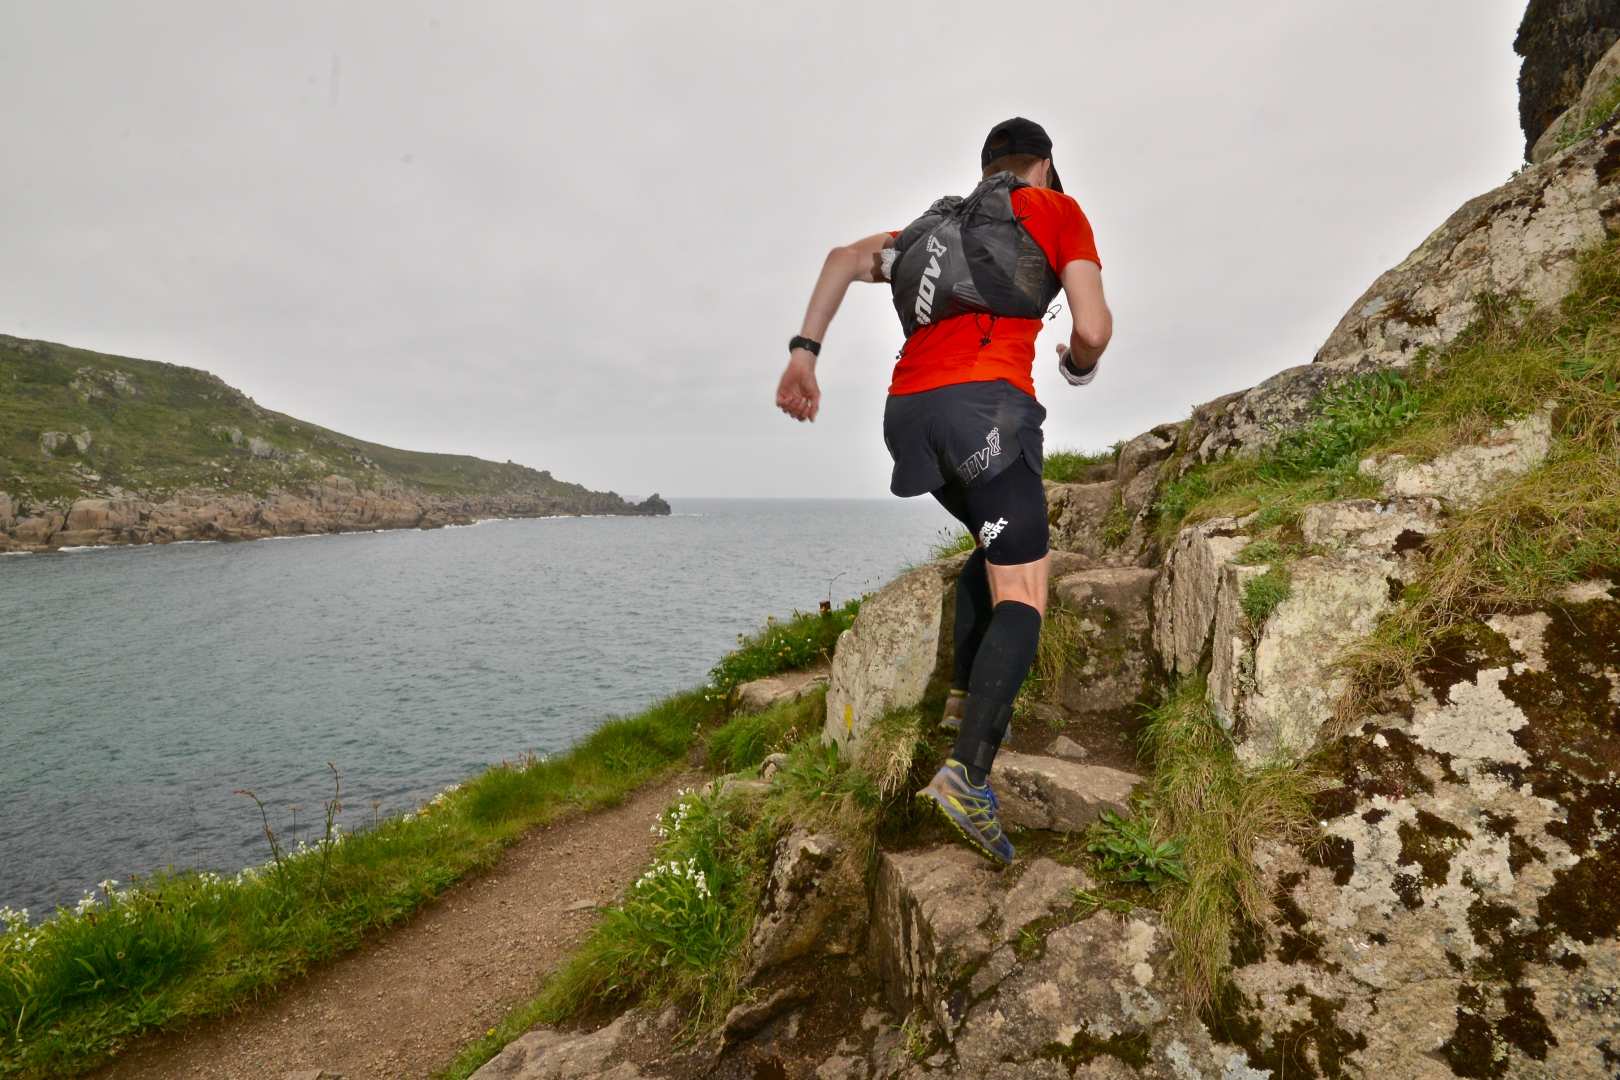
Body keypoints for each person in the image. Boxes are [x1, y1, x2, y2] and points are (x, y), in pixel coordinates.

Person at [773, 117, 1112, 866]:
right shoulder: (1053, 208)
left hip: (909, 416)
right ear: (1045, 165)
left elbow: (838, 259)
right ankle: (968, 775)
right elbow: (1092, 326)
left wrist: (805, 354)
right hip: (985, 409)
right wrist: (1077, 366)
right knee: (1025, 585)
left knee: (993, 546)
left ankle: (966, 698)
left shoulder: (932, 226)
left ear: (985, 166)